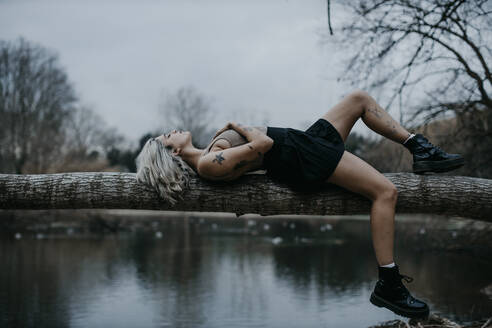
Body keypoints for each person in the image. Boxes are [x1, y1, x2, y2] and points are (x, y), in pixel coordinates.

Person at [135, 90, 464, 319]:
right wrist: (237, 126)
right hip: (303, 159)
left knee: (359, 99)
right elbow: (263, 143)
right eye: (168, 136)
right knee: (385, 193)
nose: (173, 131)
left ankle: (420, 147)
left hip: (303, 143)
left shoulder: (210, 154)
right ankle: (388, 284)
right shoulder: (208, 164)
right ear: (174, 153)